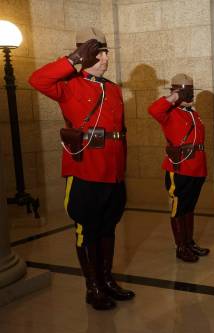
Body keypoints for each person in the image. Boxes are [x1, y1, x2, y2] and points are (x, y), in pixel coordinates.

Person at [29, 27, 134, 310]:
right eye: (98, 52)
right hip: (85, 170)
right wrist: (73, 58)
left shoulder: (112, 89)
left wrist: (121, 171)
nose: (105, 57)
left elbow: (119, 132)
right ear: (85, 54)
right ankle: (93, 286)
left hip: (112, 172)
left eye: (105, 51)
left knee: (108, 227)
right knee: (87, 229)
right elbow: (37, 79)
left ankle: (107, 280)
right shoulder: (69, 85)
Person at [148, 73, 210, 263]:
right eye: (185, 92)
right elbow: (153, 110)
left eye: (190, 91)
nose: (188, 95)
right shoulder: (169, 113)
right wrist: (175, 97)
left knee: (189, 207)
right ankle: (180, 247)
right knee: (178, 208)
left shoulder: (194, 113)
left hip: (197, 167)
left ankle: (189, 242)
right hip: (179, 168)